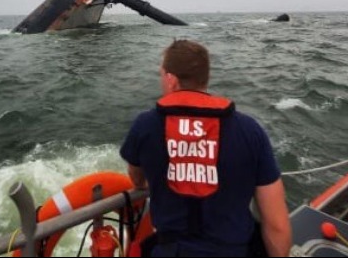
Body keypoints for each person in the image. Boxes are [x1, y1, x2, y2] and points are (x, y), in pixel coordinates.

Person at [120, 39, 291, 257]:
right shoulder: (250, 130)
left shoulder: (145, 125)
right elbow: (276, 224)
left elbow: (137, 179)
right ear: (205, 78)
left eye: (161, 75)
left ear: (171, 80)